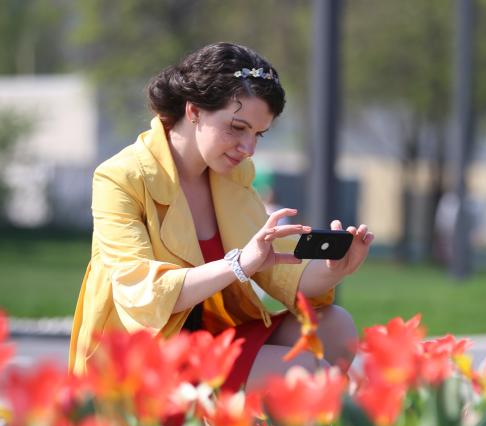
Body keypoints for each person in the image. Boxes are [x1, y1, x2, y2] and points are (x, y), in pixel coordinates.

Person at [68, 43, 374, 392]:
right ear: (194, 110)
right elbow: (145, 294)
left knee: (336, 327)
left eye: (258, 134)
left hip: (208, 343)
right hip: (144, 354)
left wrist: (334, 269)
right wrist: (240, 264)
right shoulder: (120, 177)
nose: (249, 148)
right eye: (237, 127)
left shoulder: (233, 177)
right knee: (302, 371)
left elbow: (279, 271)